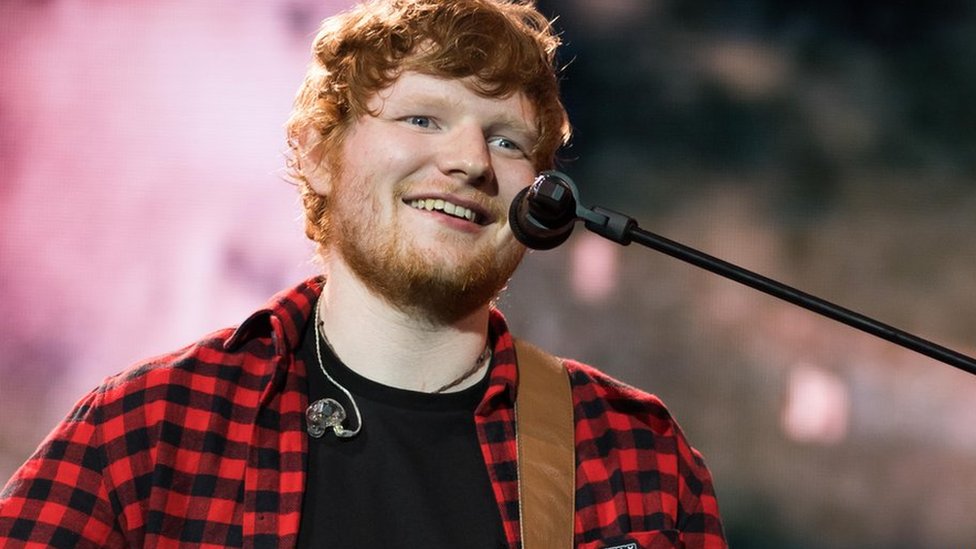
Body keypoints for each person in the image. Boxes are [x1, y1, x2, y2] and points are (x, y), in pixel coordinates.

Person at [0, 0, 726, 547]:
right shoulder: (148, 432)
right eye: (422, 119)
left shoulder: (634, 451)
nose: (471, 161)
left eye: (506, 140)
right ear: (319, 153)